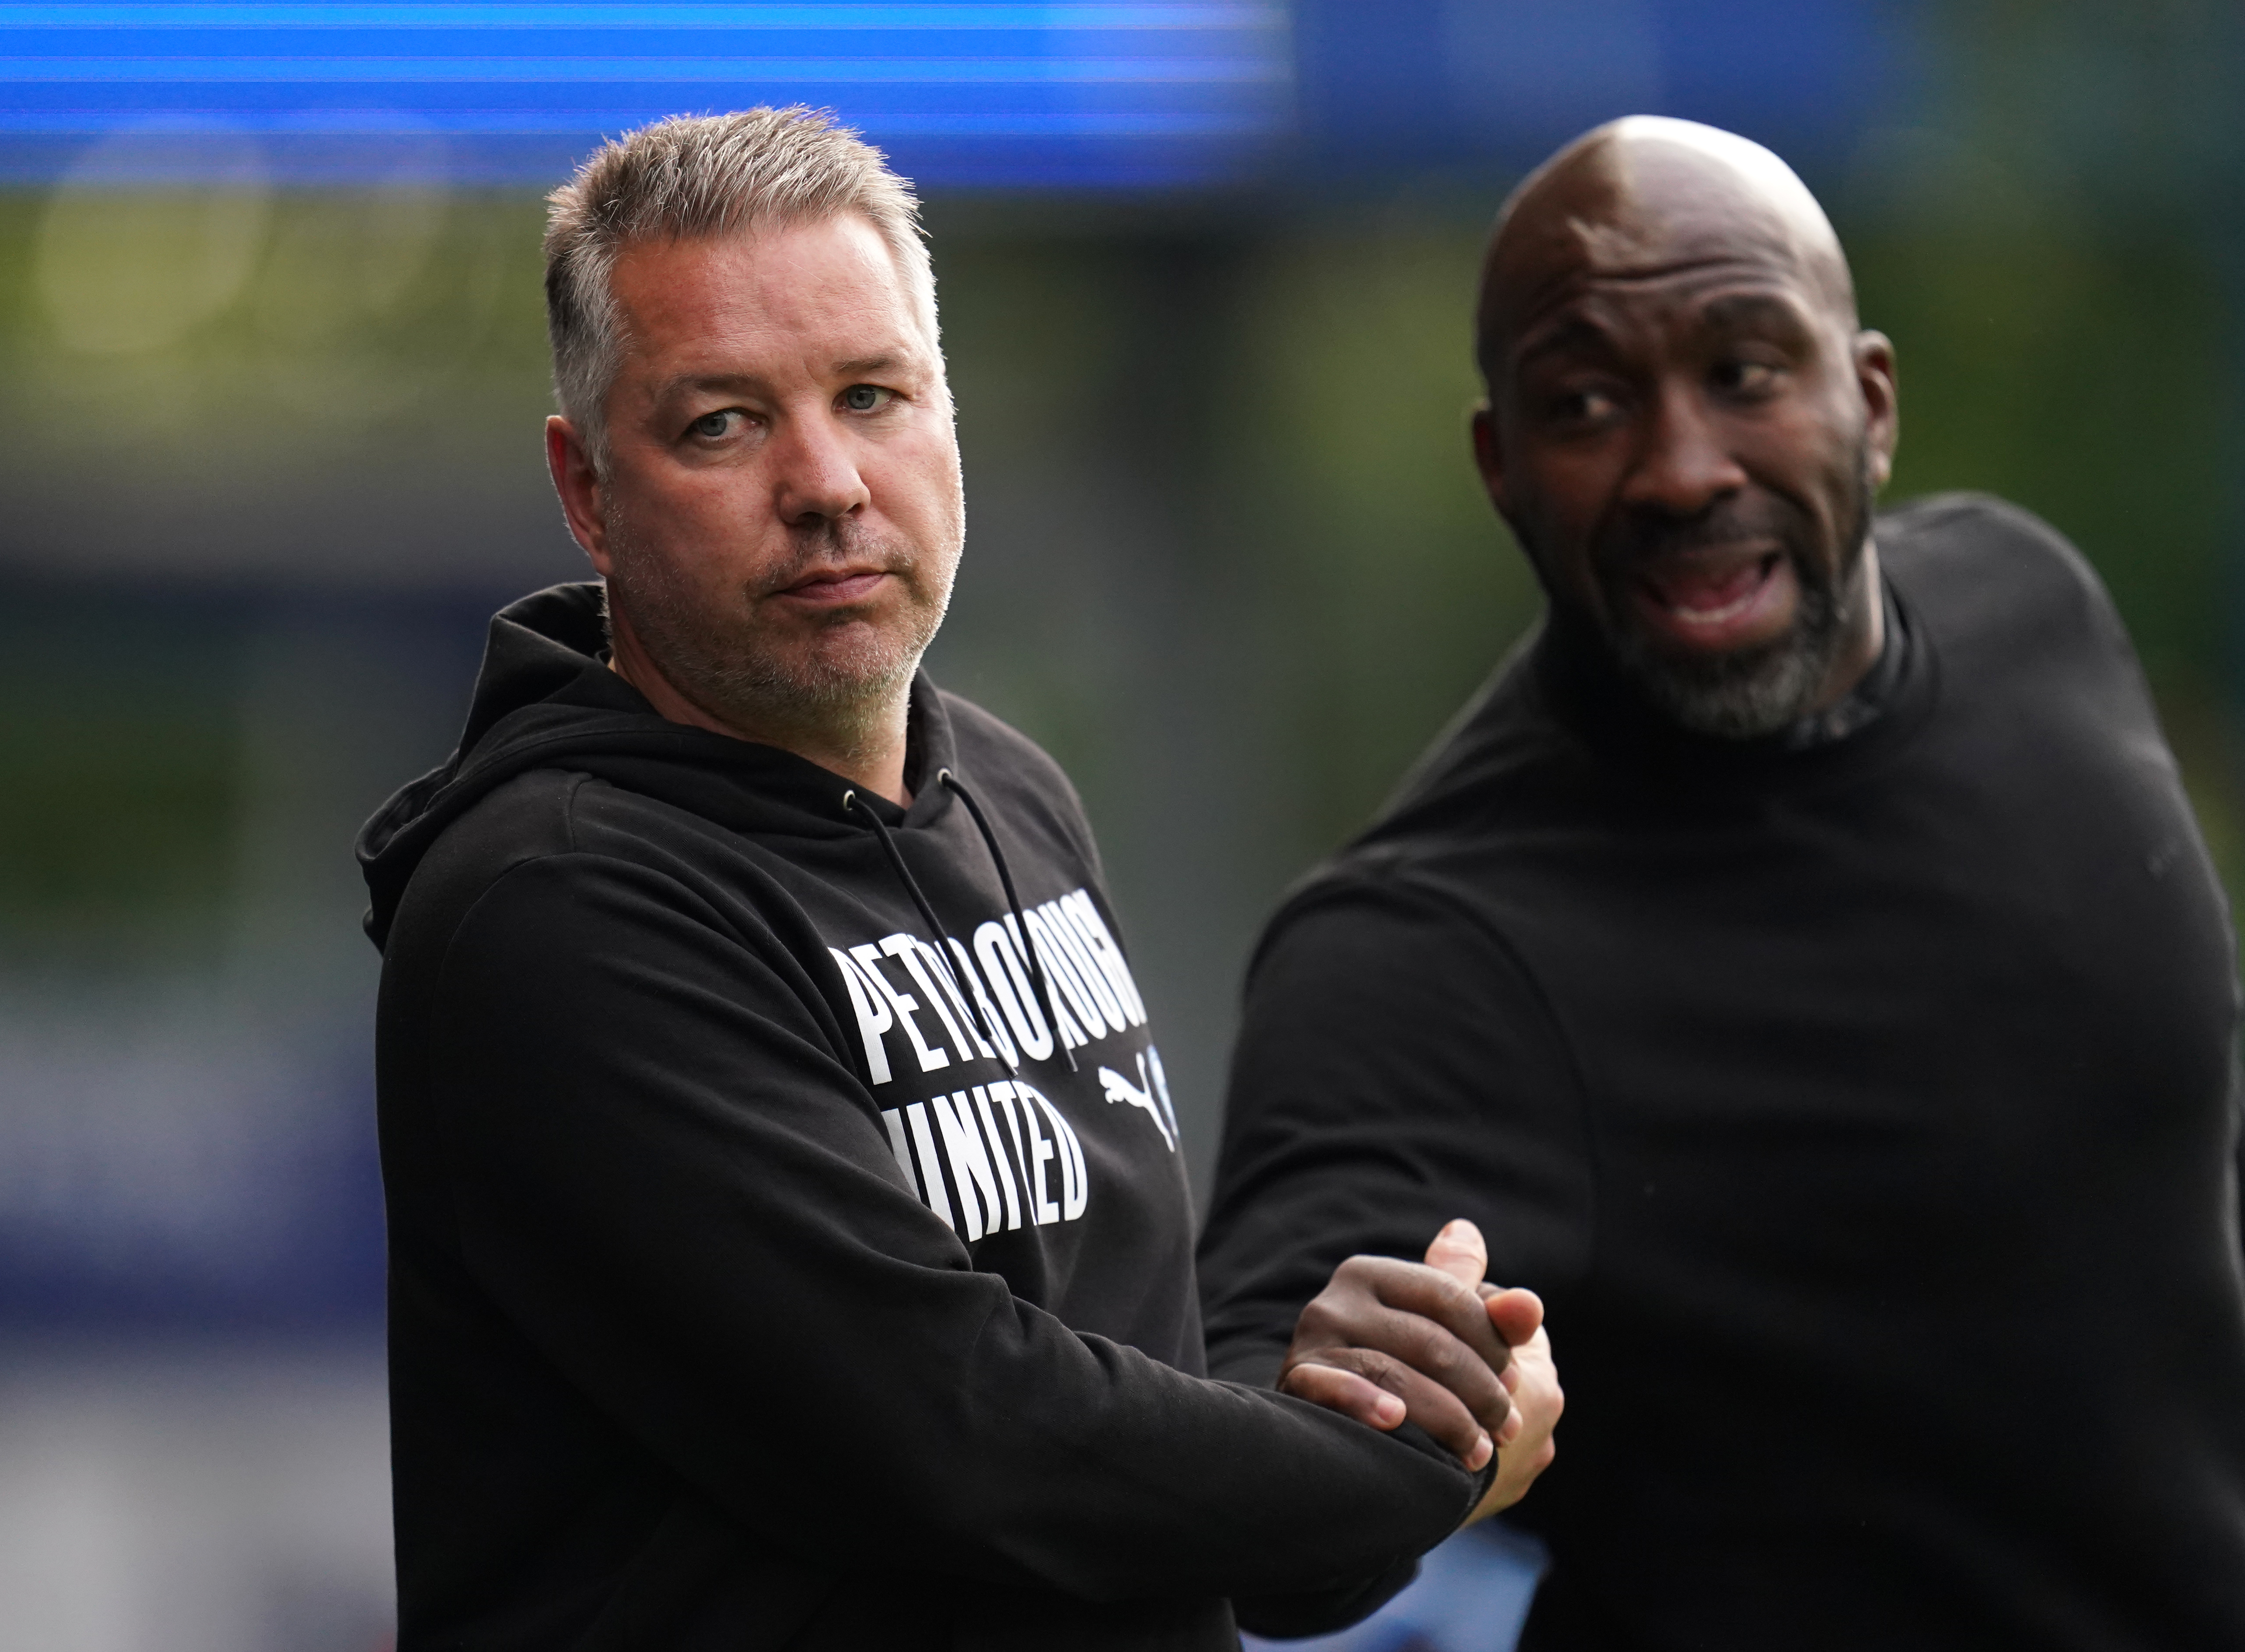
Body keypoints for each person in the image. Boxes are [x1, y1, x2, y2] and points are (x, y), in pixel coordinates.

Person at [356, 107, 1559, 1651]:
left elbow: (1152, 1462)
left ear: (948, 412)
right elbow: (975, 1439)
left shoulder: (1013, 790)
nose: (828, 483)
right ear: (587, 491)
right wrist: (1404, 1479)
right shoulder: (554, 908)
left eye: (874, 396)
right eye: (722, 421)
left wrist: (1377, 1404)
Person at [1197, 115, 2245, 1649]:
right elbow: (1258, 1523)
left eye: (1746, 372)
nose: (1683, 469)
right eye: (1587, 402)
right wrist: (1344, 1405)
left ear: (1869, 403)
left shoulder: (2032, 603)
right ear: (1502, 467)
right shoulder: (1425, 952)